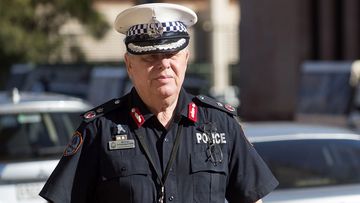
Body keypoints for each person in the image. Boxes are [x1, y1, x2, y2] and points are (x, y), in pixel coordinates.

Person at [39, 3, 278, 203]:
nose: (163, 65)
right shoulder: (98, 129)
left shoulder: (221, 124)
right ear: (129, 65)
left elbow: (251, 197)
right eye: (150, 57)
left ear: (185, 59)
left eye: (171, 55)